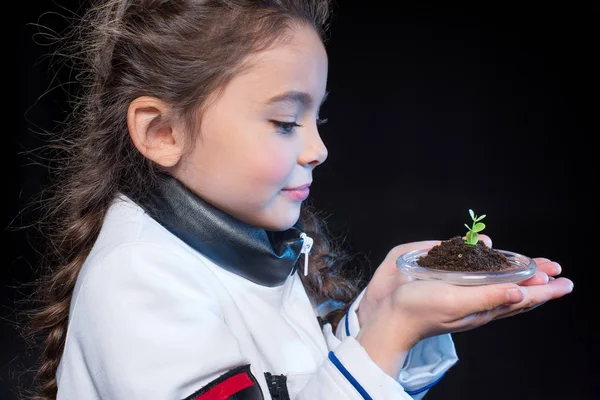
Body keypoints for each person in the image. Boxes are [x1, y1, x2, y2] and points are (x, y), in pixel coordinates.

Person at [23, 0, 573, 399]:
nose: (319, 148)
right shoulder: (138, 277)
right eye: (286, 121)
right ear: (162, 132)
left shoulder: (241, 242)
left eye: (318, 117)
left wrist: (379, 318)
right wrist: (392, 334)